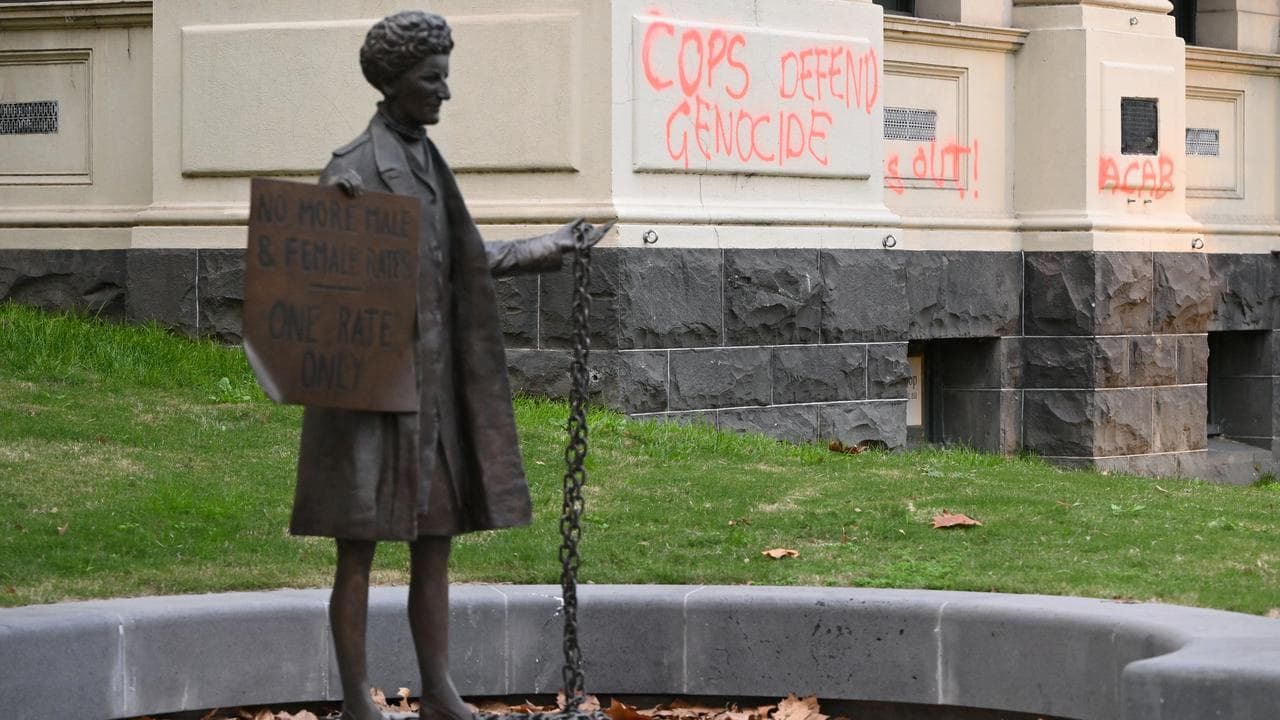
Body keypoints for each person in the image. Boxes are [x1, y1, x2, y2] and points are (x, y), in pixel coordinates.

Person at [288, 11, 611, 720]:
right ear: (395, 81)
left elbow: (466, 258)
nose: (445, 91)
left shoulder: (429, 162)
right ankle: (357, 701)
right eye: (433, 78)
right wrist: (334, 218)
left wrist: (553, 245)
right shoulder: (353, 167)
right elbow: (315, 279)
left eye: (444, 76)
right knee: (357, 551)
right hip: (372, 395)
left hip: (432, 393)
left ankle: (438, 692)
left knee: (434, 542)